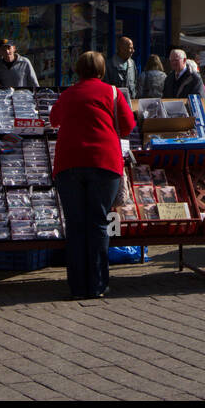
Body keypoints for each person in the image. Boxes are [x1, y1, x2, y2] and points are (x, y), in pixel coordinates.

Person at [49, 51, 137, 300]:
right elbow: (129, 126)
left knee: (76, 226)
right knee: (99, 224)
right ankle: (98, 285)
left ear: (77, 70)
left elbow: (54, 119)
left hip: (69, 163)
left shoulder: (68, 94)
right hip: (104, 163)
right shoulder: (112, 92)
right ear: (101, 70)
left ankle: (77, 286)